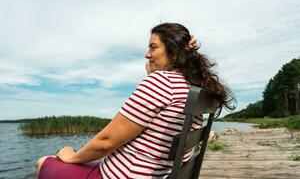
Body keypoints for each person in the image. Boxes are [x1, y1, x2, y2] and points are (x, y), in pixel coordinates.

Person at [35, 23, 235, 179]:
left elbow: (106, 142)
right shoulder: (191, 86)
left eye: (153, 47)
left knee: (44, 161)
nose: (147, 54)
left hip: (123, 175)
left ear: (173, 53)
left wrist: (72, 156)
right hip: (156, 174)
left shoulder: (161, 82)